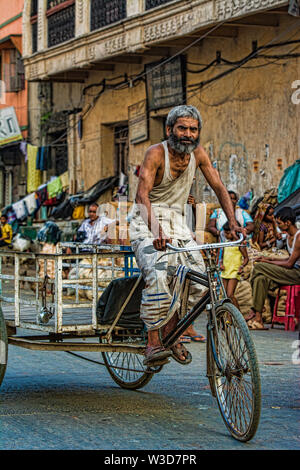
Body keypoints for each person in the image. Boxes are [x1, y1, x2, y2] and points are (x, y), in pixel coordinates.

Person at [130, 105, 242, 366]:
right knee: (157, 275)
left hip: (177, 223)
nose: (188, 134)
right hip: (146, 221)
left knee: (199, 280)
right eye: (182, 128)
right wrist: (156, 232)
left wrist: (233, 222)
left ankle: (174, 332)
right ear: (170, 129)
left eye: (193, 129)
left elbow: (219, 187)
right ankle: (153, 341)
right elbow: (140, 196)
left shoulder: (198, 154)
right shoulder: (155, 153)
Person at [246, 207, 300, 330]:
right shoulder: (288, 237)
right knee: (261, 278)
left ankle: (254, 309)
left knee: (259, 267)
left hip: (297, 273)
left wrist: (266, 263)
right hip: (291, 271)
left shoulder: (298, 237)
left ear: (288, 223)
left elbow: (289, 264)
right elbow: (287, 260)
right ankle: (258, 319)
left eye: (280, 223)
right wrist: (268, 259)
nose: (278, 226)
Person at [220, 221, 249, 310]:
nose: (226, 235)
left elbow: (246, 258)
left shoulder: (240, 244)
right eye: (225, 233)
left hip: (234, 271)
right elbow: (222, 257)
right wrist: (221, 264)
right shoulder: (226, 243)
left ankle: (238, 315)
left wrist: (241, 267)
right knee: (224, 296)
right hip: (225, 271)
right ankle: (229, 317)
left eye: (228, 233)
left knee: (230, 295)